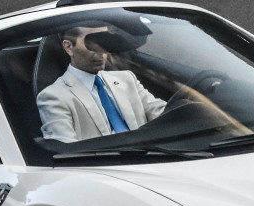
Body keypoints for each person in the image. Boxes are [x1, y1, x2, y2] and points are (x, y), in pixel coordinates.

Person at [37, 25, 166, 142]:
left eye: (104, 41)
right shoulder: (53, 97)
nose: (101, 50)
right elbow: (66, 150)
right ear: (69, 47)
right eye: (92, 43)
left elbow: (162, 113)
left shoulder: (127, 79)